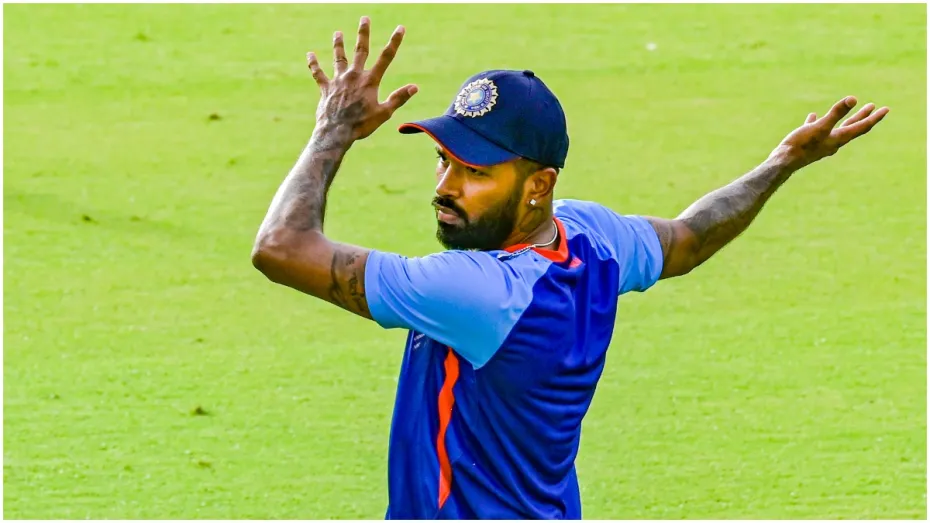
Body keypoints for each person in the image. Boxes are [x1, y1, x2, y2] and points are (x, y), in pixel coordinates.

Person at [251, 16, 889, 520]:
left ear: (539, 184)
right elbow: (690, 238)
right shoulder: (593, 238)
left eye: (475, 172)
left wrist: (333, 129)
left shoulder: (480, 293)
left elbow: (280, 247)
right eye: (444, 161)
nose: (446, 187)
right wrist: (781, 163)